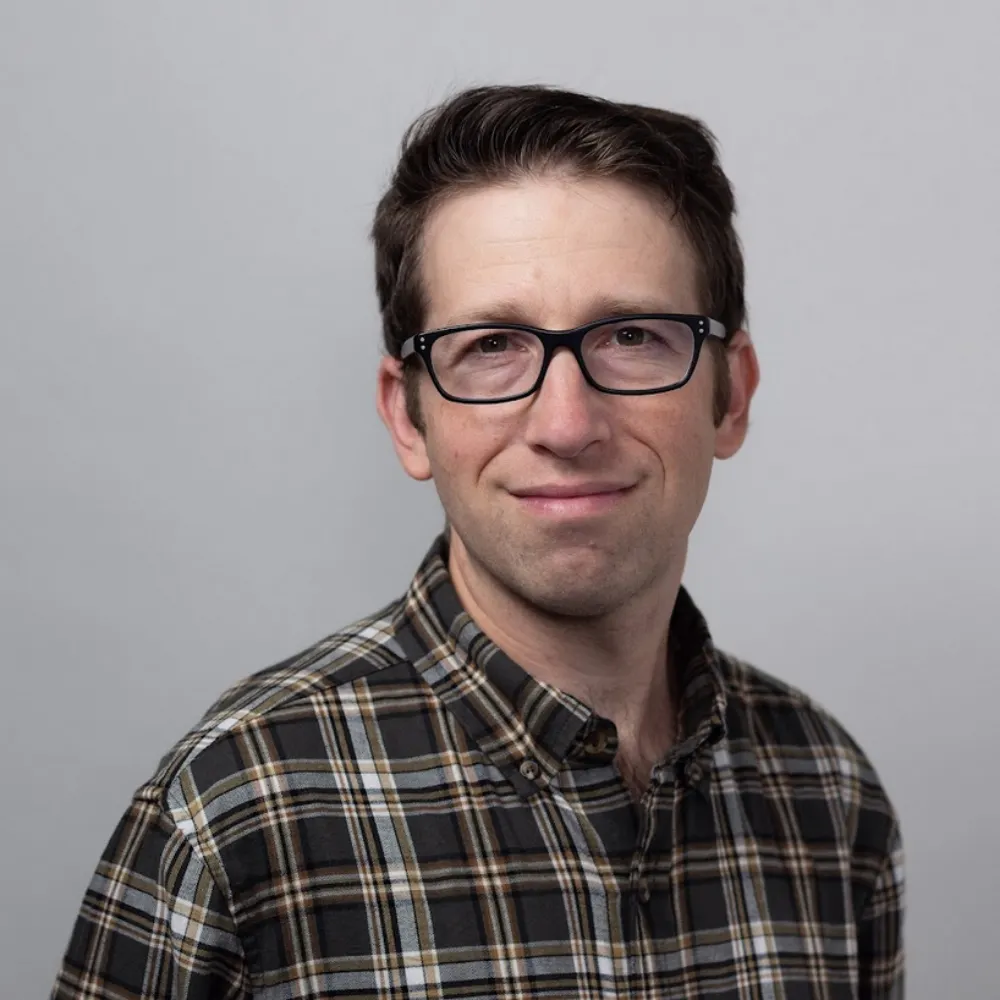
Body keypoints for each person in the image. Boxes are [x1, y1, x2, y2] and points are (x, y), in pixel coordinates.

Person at [51, 85, 904, 999]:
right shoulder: (234, 811)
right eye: (492, 346)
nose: (566, 425)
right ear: (407, 417)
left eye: (631, 336)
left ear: (730, 397)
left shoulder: (827, 792)